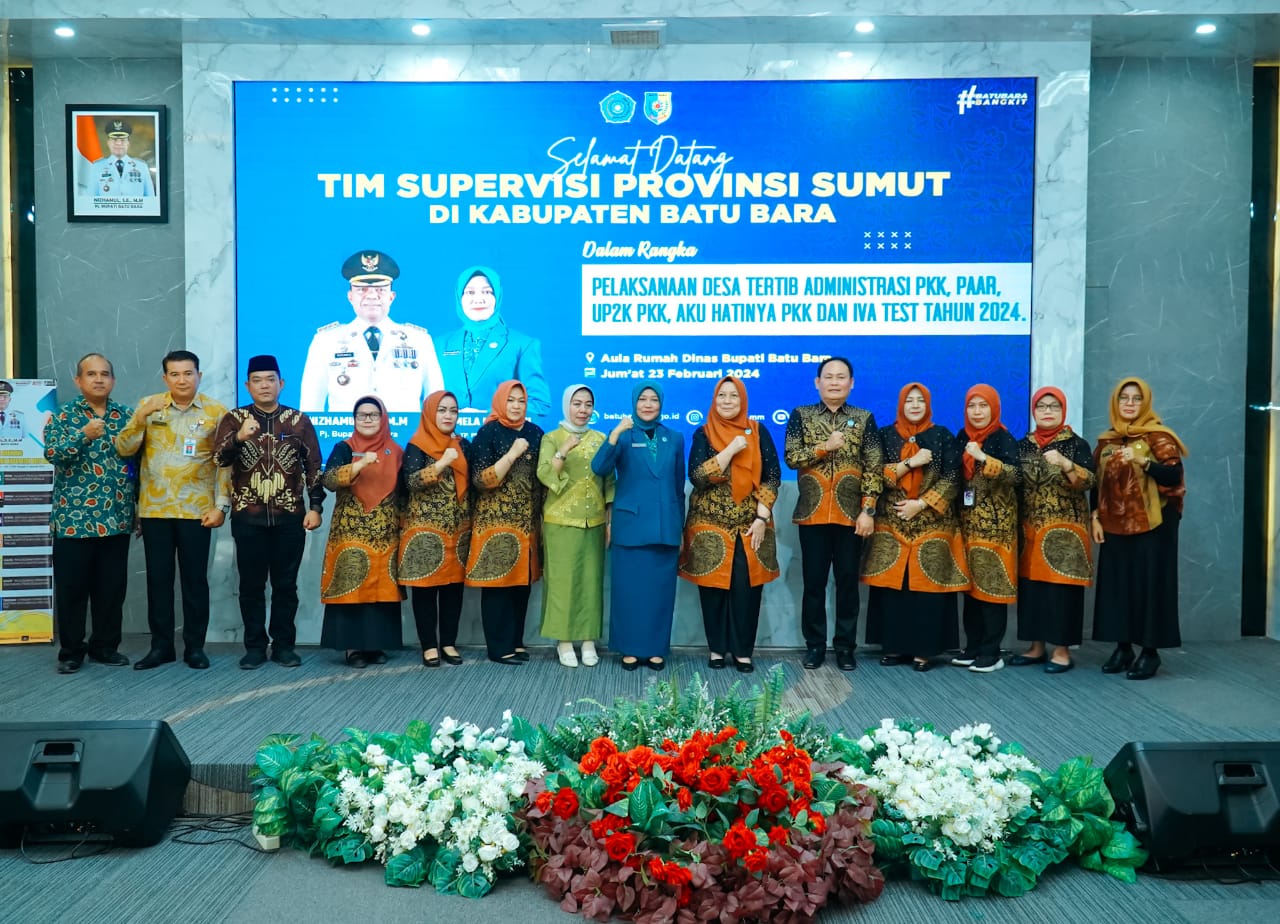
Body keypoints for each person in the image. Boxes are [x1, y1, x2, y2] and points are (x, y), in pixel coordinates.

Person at [115, 350, 231, 670]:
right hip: (156, 510)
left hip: (197, 511)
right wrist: (140, 418)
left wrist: (221, 506)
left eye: (188, 373)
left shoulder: (216, 412)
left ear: (199, 376)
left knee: (195, 582)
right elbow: (124, 448)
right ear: (165, 378)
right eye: (175, 374)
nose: (182, 380)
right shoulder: (148, 406)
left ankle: (195, 648)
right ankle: (161, 647)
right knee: (158, 581)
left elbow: (225, 464)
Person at [213, 355, 325, 670]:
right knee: (251, 586)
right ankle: (254, 647)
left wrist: (316, 507)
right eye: (257, 380)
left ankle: (284, 646)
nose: (264, 385)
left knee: (286, 586)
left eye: (270, 379)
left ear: (281, 383)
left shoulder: (298, 420)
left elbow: (314, 467)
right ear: (248, 385)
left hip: (290, 517)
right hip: (248, 518)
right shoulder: (234, 418)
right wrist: (239, 438)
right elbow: (219, 459)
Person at [783, 356, 883, 672]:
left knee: (847, 584)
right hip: (812, 515)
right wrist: (824, 447)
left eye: (841, 377)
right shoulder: (802, 415)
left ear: (851, 383)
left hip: (851, 517)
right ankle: (815, 646)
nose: (835, 382)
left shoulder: (864, 418)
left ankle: (844, 647)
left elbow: (874, 467)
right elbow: (791, 457)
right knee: (813, 584)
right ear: (818, 382)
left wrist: (868, 510)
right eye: (829, 376)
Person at [680, 376, 781, 673]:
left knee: (746, 590)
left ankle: (742, 652)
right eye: (722, 395)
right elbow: (698, 477)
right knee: (713, 590)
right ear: (714, 400)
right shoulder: (703, 433)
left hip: (751, 525)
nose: (727, 401)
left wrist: (762, 518)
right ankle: (716, 649)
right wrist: (731, 450)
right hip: (709, 526)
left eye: (733, 396)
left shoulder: (758, 431)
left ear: (742, 400)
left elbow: (772, 476)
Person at [863, 383, 967, 672]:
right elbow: (874, 474)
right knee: (893, 588)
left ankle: (925, 650)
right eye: (909, 400)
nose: (915, 405)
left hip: (931, 522)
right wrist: (910, 463)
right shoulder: (885, 435)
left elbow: (952, 476)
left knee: (927, 589)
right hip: (891, 523)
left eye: (921, 400)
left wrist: (921, 504)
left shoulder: (942, 435)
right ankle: (894, 646)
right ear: (901, 404)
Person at [44, 354, 137, 673]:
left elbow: (137, 463)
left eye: (105, 374)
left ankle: (105, 647)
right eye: (91, 374)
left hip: (116, 517)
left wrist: (138, 505)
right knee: (72, 590)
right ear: (78, 380)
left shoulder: (126, 416)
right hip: (74, 521)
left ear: (113, 380)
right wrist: (83, 435)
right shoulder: (63, 415)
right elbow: (52, 454)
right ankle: (71, 651)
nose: (99, 379)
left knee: (111, 590)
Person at [1091, 377, 1188, 680]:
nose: (1130, 404)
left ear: (1145, 403)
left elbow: (1173, 475)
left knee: (1150, 588)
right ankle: (1123, 648)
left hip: (1153, 526)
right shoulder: (1107, 441)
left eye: (1136, 399)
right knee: (1119, 587)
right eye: (1124, 398)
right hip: (1115, 524)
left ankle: (1149, 653)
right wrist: (1095, 517)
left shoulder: (1158, 436)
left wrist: (1144, 461)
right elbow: (1097, 482)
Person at [592, 382, 685, 671]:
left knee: (660, 593)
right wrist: (614, 434)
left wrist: (680, 526)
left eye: (653, 399)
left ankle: (656, 649)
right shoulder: (622, 435)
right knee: (628, 593)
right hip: (630, 527)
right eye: (642, 399)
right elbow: (599, 468)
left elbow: (678, 487)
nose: (647, 404)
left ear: (661, 404)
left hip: (664, 528)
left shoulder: (675, 438)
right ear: (634, 403)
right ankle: (629, 648)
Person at [1011, 386, 1096, 674]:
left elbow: (1090, 482)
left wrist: (1066, 464)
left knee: (1061, 592)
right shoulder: (1023, 445)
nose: (1047, 411)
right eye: (1042, 406)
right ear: (1034, 411)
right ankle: (1036, 647)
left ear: (1063, 410)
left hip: (1065, 534)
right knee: (1033, 591)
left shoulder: (1076, 444)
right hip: (1031, 531)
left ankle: (1061, 650)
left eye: (1054, 406)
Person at [300, 250, 444, 413]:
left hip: (405, 430)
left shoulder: (419, 340)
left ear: (391, 296)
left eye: (380, 289)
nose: (371, 296)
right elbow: (310, 406)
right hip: (347, 429)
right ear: (350, 296)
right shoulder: (325, 341)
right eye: (362, 289)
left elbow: (436, 403)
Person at [319, 396, 405, 667]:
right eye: (361, 415)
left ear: (383, 418)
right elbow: (329, 480)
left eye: (373, 415)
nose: (367, 420)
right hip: (350, 533)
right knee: (352, 587)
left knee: (381, 590)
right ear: (354, 420)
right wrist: (359, 464)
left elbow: (403, 493)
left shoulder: (396, 451)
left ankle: (376, 645)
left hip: (385, 534)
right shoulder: (344, 447)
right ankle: (353, 648)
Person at [465, 380, 544, 665]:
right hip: (495, 525)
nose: (516, 406)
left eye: (521, 401)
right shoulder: (488, 432)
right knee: (498, 587)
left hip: (527, 526)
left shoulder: (535, 433)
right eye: (510, 400)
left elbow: (541, 478)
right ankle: (499, 647)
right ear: (500, 401)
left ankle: (515, 641)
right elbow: (481, 480)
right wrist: (512, 454)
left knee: (521, 587)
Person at [537, 384, 614, 668]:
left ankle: (588, 640)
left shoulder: (601, 439)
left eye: (588, 404)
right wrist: (563, 450)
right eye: (577, 403)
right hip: (560, 522)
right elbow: (545, 475)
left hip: (594, 522)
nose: (582, 410)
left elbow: (609, 481)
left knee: (591, 583)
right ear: (566, 405)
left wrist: (609, 519)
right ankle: (564, 641)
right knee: (562, 583)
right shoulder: (552, 437)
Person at [399, 390, 471, 668]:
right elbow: (411, 482)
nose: (448, 416)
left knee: (454, 591)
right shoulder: (417, 445)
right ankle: (429, 645)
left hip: (458, 531)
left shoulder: (462, 444)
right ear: (430, 413)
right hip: (425, 534)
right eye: (442, 410)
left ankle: (449, 642)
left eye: (453, 410)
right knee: (426, 591)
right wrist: (442, 463)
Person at [952, 384, 1020, 674]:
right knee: (971, 592)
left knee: (991, 591)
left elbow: (1017, 475)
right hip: (968, 527)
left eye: (983, 406)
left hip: (996, 529)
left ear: (994, 408)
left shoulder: (1003, 438)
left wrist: (983, 458)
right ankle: (973, 647)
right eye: (972, 406)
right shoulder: (962, 436)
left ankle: (991, 652)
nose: (977, 412)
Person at [435, 266, 551, 418]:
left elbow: (539, 404)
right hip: (446, 433)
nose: (478, 299)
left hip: (500, 432)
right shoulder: (438, 345)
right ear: (459, 297)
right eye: (470, 292)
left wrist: (489, 417)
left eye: (487, 292)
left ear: (497, 296)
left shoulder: (522, 345)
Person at [91, 119, 156, 197]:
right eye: (114, 139)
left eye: (122, 140)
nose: (119, 143)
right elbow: (90, 198)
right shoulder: (97, 167)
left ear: (128, 143)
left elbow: (150, 198)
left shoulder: (142, 167)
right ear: (108, 143)